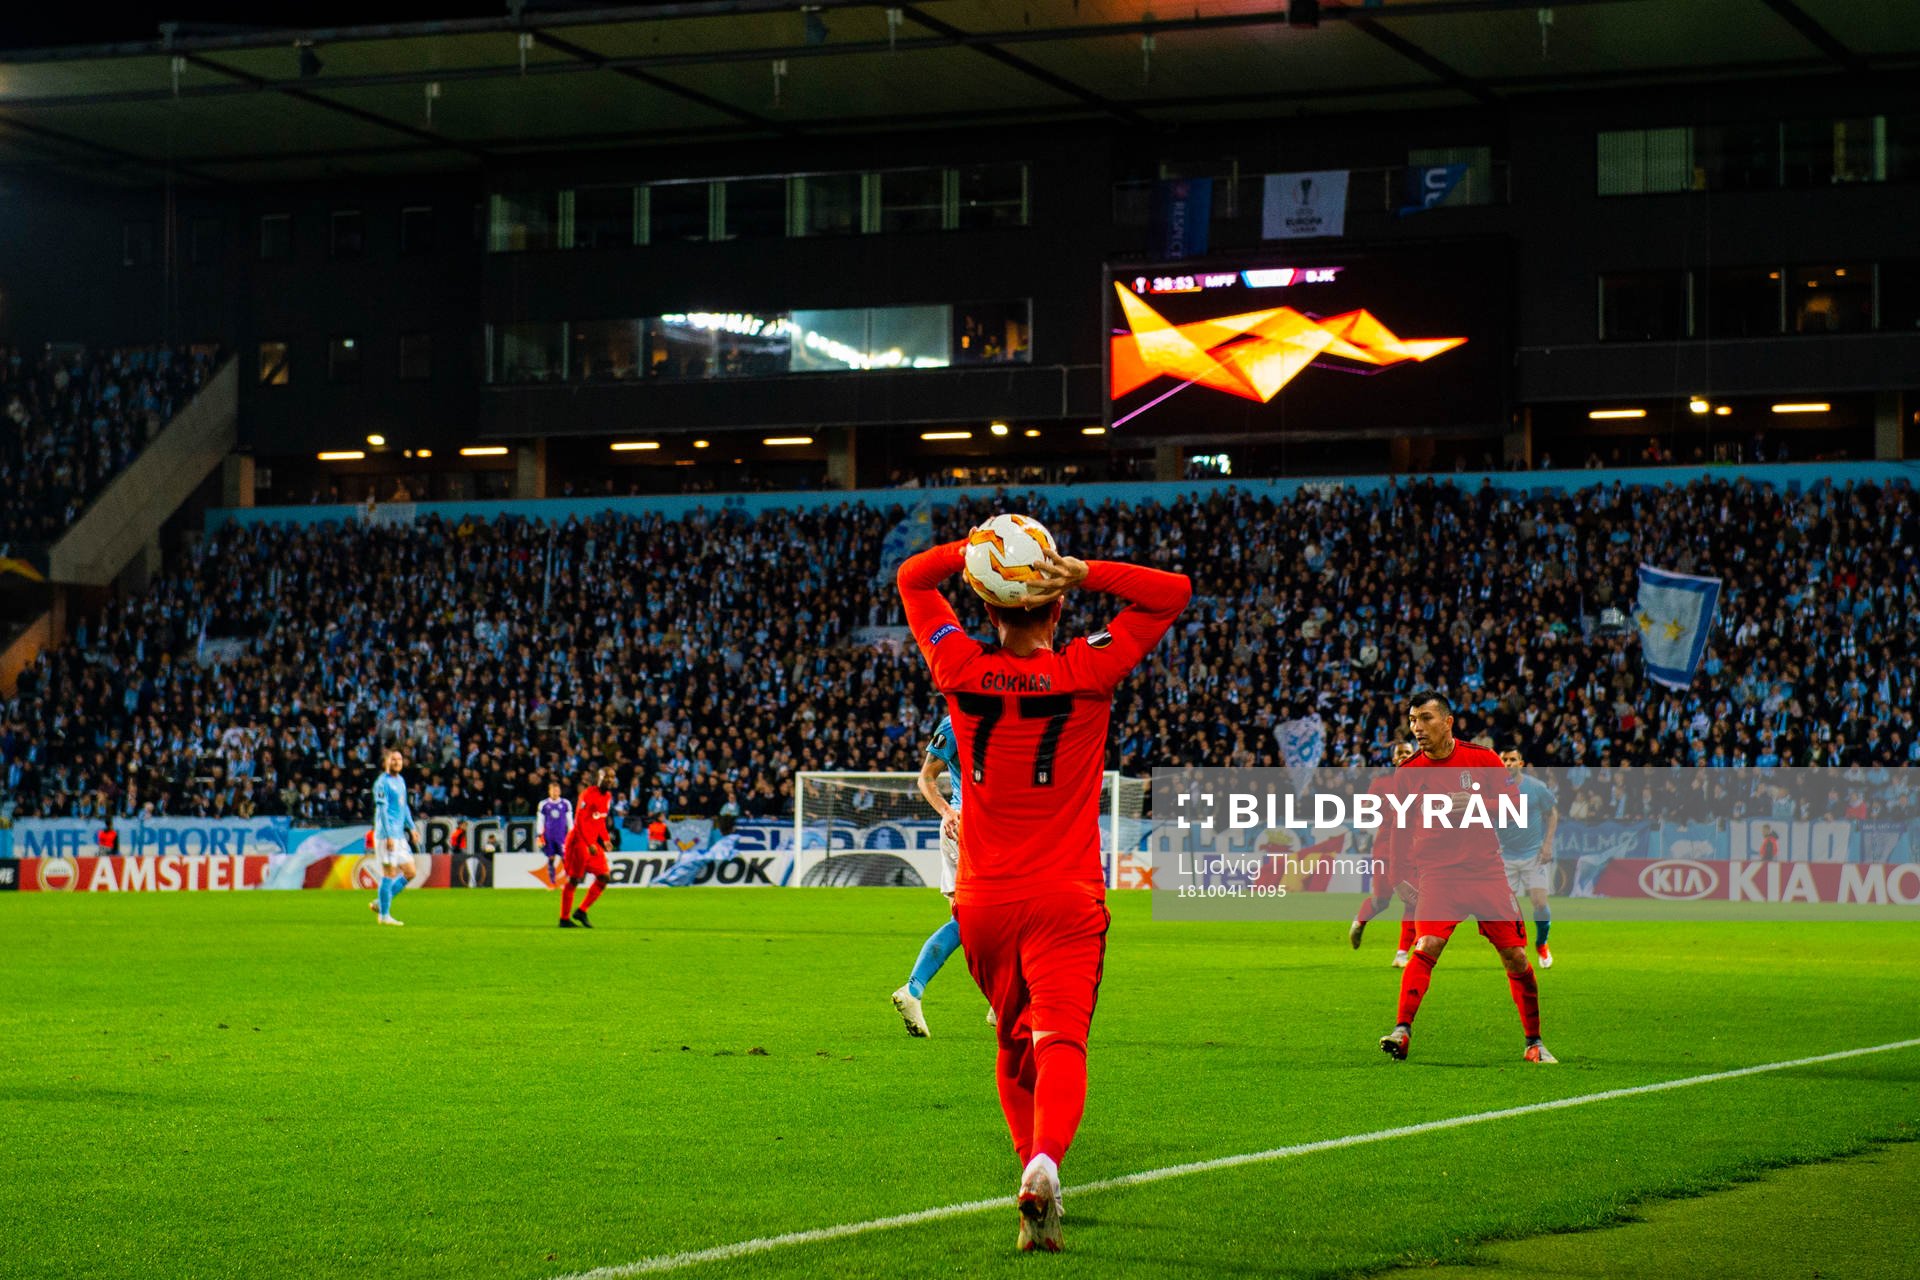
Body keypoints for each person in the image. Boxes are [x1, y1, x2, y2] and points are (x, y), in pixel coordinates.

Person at [897, 531, 1190, 1253]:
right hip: (1064, 894)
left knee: (1009, 1039)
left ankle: (1031, 1183)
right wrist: (1088, 570)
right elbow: (1173, 592)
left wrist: (978, 545)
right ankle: (1044, 1161)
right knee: (1061, 1038)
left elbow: (911, 578)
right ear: (1058, 608)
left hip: (986, 900)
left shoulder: (958, 664)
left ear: (986, 609)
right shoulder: (1089, 667)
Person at [1375, 695, 1552, 1064]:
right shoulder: (1408, 772)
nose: (1417, 728)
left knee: (1516, 957)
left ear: (1448, 722)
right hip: (1438, 875)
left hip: (1485, 873)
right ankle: (1402, 1031)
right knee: (1426, 945)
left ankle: (1533, 1043)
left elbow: (1514, 810)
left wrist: (1473, 805)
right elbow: (1399, 826)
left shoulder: (1483, 760)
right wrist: (1397, 876)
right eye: (1412, 720)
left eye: (1425, 719)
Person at [891, 712, 972, 1038]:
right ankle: (914, 989)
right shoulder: (955, 723)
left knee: (978, 921)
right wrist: (948, 811)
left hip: (996, 830)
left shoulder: (1004, 713)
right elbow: (926, 776)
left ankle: (1001, 1003)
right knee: (975, 919)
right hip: (966, 826)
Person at [1349, 739, 1419, 966]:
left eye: (1408, 752)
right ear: (1393, 758)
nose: (1404, 756)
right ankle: (1360, 921)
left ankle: (1401, 954)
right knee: (1382, 901)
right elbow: (1364, 811)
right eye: (1400, 753)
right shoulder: (1381, 783)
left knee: (1414, 902)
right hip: (1385, 850)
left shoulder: (1424, 783)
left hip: (1412, 852)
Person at [1497, 746, 1559, 970]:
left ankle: (1541, 943)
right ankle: (1516, 947)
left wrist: (1547, 844)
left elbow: (1552, 812)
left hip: (1533, 854)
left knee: (1540, 903)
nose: (1508, 763)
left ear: (1520, 763)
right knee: (1505, 909)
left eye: (1513, 759)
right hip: (1504, 856)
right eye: (1504, 759)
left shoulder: (1535, 788)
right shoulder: (1491, 789)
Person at [560, 767, 615, 928]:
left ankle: (581, 911)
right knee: (575, 879)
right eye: (607, 777)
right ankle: (564, 918)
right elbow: (580, 821)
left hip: (592, 843)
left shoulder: (608, 797)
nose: (610, 780)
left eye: (612, 777)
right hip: (578, 841)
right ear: (598, 777)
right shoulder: (588, 794)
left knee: (604, 876)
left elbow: (600, 820)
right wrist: (589, 842)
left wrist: (605, 839)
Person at [368, 749, 417, 927]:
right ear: (386, 762)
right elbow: (381, 811)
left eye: (400, 759)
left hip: (399, 836)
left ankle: (381, 903)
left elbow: (404, 807)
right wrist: (388, 835)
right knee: (389, 873)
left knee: (411, 871)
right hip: (385, 836)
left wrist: (412, 827)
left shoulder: (401, 781)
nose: (397, 762)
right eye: (393, 759)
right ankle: (384, 915)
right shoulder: (382, 783)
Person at [537, 780, 572, 889]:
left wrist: (572, 833)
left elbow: (569, 820)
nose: (555, 792)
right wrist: (539, 835)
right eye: (553, 790)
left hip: (562, 836)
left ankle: (568, 881)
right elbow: (540, 820)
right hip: (549, 836)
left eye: (556, 790)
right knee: (551, 858)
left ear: (560, 792)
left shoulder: (566, 803)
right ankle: (552, 882)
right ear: (549, 792)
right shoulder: (543, 804)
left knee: (565, 858)